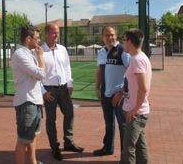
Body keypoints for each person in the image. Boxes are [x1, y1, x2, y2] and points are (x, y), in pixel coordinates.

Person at [42, 23, 84, 161]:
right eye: (54, 32)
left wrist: (70, 83)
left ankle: (68, 142)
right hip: (49, 90)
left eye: (58, 32)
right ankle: (54, 147)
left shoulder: (62, 49)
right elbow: (36, 74)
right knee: (51, 120)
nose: (56, 35)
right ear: (47, 33)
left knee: (69, 113)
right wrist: (43, 91)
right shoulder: (40, 51)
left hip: (64, 88)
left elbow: (67, 67)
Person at [93, 26, 130, 156]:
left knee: (123, 125)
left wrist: (121, 93)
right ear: (102, 37)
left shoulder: (123, 51)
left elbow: (132, 73)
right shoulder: (101, 52)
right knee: (109, 124)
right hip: (105, 94)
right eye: (107, 35)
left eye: (112, 35)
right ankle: (108, 148)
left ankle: (125, 155)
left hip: (119, 96)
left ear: (116, 35)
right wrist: (97, 88)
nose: (110, 38)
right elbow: (99, 71)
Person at [11, 25, 46, 164]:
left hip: (35, 101)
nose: (39, 41)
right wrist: (41, 57)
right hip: (26, 102)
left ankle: (33, 162)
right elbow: (40, 74)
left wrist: (38, 56)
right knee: (23, 140)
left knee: (33, 136)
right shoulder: (20, 54)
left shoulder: (30, 53)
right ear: (28, 39)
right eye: (37, 38)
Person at [120, 28, 152, 164]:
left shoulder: (137, 60)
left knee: (128, 147)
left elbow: (143, 88)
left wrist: (135, 110)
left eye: (123, 40)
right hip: (139, 110)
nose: (122, 43)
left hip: (136, 113)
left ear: (129, 41)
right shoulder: (140, 57)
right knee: (140, 144)